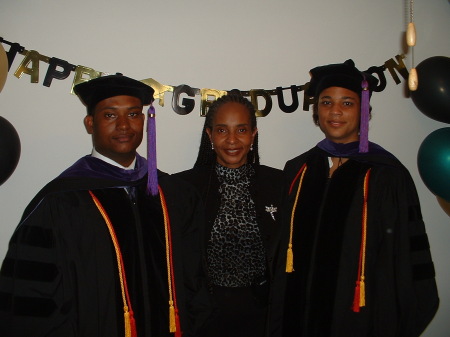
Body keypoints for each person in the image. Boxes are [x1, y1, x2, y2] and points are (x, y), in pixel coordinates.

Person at [0, 74, 211, 337]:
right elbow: (33, 301)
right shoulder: (59, 204)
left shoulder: (176, 196)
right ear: (90, 123)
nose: (124, 125)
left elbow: (195, 283)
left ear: (145, 121)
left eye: (133, 114)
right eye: (110, 115)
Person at [270, 59, 439, 337]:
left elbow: (407, 259)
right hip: (296, 317)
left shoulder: (387, 176)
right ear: (316, 110)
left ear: (363, 111)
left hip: (361, 319)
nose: (335, 111)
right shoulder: (298, 170)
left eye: (347, 103)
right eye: (326, 102)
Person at [175, 93, 284, 337]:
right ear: (209, 135)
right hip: (204, 318)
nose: (232, 140)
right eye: (222, 131)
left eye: (242, 130)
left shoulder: (279, 185)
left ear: (253, 135)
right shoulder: (183, 188)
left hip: (263, 318)